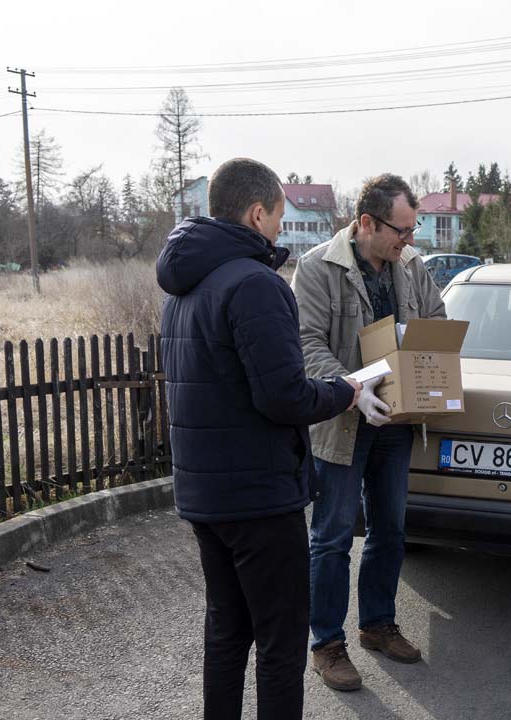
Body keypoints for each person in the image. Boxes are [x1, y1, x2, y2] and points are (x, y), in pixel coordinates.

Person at [157, 157, 364, 719]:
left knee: (227, 631)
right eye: (277, 215)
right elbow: (285, 397)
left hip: (205, 494)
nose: (280, 228)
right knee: (279, 640)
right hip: (258, 496)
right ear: (256, 212)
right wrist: (342, 391)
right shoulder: (255, 284)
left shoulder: (182, 286)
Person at [294, 173, 447, 692]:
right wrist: (355, 389)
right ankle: (327, 644)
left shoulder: (411, 267)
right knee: (333, 537)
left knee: (391, 530)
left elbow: (438, 321)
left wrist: (421, 350)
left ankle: (378, 625)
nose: (410, 240)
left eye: (413, 229)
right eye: (402, 230)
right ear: (366, 222)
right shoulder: (318, 268)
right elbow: (306, 344)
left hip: (396, 422)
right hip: (341, 423)